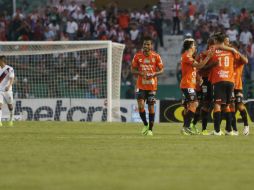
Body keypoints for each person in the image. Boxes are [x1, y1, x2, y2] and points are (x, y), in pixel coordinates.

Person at [208, 33, 241, 135]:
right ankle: (229, 130)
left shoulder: (213, 50)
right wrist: (232, 49)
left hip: (219, 80)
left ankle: (217, 131)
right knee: (227, 105)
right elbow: (240, 58)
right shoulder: (231, 51)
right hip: (230, 81)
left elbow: (207, 59)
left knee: (217, 104)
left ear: (217, 40)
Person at [131, 36, 164, 136]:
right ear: (143, 45)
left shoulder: (156, 56)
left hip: (152, 87)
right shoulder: (137, 56)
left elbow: (162, 70)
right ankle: (145, 124)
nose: (146, 46)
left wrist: (154, 74)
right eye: (145, 44)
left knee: (151, 108)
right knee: (141, 106)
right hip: (140, 86)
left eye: (148, 44)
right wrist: (141, 73)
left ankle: (150, 129)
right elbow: (132, 70)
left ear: (151, 45)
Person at [180, 38, 214, 135]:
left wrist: (199, 78)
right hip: (187, 84)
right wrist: (208, 57)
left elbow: (194, 70)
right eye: (194, 45)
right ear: (190, 47)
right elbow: (199, 66)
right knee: (194, 103)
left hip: (190, 84)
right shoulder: (187, 56)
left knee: (192, 105)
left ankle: (186, 127)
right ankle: (186, 127)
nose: (195, 47)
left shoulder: (189, 57)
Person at [0, 55, 15, 127]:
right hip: (0, 90)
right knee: (0, 105)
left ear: (1, 61)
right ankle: (0, 122)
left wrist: (9, 86)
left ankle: (11, 119)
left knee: (10, 106)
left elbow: (12, 78)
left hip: (8, 91)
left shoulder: (9, 69)